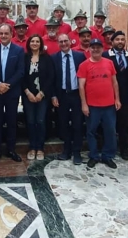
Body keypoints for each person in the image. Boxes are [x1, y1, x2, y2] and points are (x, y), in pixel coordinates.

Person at [78, 38, 121, 169]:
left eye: (98, 47)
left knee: (110, 131)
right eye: (93, 47)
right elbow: (81, 86)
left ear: (103, 49)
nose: (95, 49)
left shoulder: (109, 63)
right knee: (91, 132)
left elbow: (114, 82)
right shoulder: (84, 65)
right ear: (89, 49)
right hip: (92, 106)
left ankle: (108, 156)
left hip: (109, 105)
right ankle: (94, 156)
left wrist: (117, 99)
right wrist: (84, 104)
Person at [0, 24, 25, 164]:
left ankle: (11, 149)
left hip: (12, 92)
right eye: (1, 33)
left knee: (11, 121)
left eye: (6, 33)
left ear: (11, 34)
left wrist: (7, 86)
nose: (3, 36)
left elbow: (20, 71)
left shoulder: (19, 50)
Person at [51, 33, 86, 164]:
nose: (64, 44)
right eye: (61, 42)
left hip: (76, 94)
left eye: (66, 41)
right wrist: (53, 95)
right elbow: (52, 79)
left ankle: (77, 152)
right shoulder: (54, 58)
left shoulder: (79, 56)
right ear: (58, 44)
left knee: (77, 124)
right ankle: (66, 150)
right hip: (62, 95)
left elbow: (84, 77)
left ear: (70, 42)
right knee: (63, 124)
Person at [102, 30, 128, 160]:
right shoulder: (105, 55)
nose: (120, 42)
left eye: (122, 39)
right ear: (112, 41)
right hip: (108, 95)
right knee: (108, 124)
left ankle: (124, 149)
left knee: (123, 124)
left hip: (126, 96)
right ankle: (108, 148)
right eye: (117, 39)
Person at [22, 34, 54, 161]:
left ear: (40, 43)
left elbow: (51, 77)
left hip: (42, 96)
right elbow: (21, 75)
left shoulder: (47, 58)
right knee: (30, 121)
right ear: (29, 43)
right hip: (28, 95)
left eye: (37, 41)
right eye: (32, 41)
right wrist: (28, 92)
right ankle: (32, 147)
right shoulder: (24, 58)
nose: (34, 43)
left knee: (40, 121)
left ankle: (40, 148)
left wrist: (42, 93)